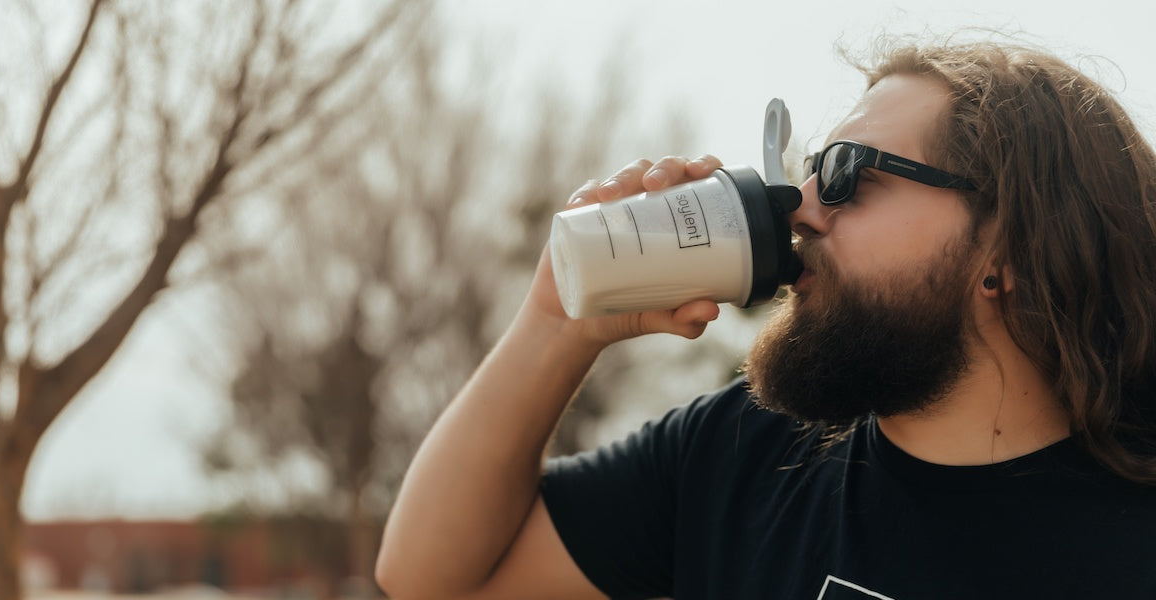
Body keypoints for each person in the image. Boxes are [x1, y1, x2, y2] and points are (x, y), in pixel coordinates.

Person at [375, 40, 1156, 599]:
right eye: (810, 168)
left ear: (1008, 247)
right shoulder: (744, 451)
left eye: (849, 174)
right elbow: (432, 578)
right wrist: (559, 318)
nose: (802, 207)